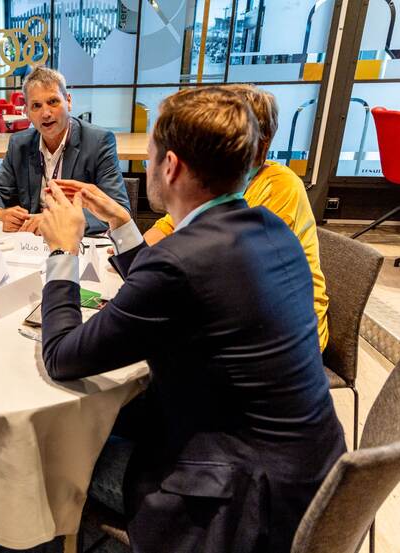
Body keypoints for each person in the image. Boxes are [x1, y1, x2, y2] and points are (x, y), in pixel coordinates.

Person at [38, 88, 345, 552]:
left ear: (172, 166)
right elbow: (168, 287)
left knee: (57, 451)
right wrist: (123, 224)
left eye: (151, 154)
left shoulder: (179, 263)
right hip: (315, 478)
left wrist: (62, 252)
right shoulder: (270, 227)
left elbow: (62, 357)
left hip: (236, 504)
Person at [142, 83, 329, 351]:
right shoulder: (212, 184)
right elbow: (162, 235)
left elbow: (216, 269)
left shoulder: (280, 186)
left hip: (280, 335)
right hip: (231, 317)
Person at [0, 66, 130, 235]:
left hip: (76, 241)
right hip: (30, 244)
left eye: (53, 102)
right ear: (26, 112)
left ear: (68, 101)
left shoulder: (98, 142)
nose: (46, 113)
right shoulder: (20, 144)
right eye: (36, 106)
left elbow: (118, 209)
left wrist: (57, 220)